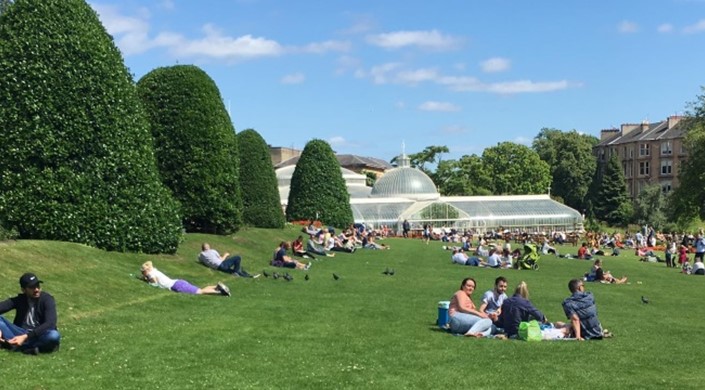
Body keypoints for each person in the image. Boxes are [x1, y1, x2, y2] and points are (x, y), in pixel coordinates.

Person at [0, 273, 61, 355]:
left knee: (53, 335)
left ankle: (16, 346)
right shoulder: (19, 300)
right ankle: (32, 347)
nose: (36, 289)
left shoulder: (47, 299)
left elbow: (50, 323)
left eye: (38, 285)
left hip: (39, 335)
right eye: (32, 287)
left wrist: (26, 337)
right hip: (19, 333)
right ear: (23, 290)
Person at [140, 261, 230, 296]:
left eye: (143, 272)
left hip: (176, 285)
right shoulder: (155, 270)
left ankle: (221, 292)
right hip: (178, 282)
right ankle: (217, 286)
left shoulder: (151, 274)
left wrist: (147, 281)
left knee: (200, 292)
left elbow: (154, 283)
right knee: (200, 289)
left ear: (146, 271)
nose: (143, 273)